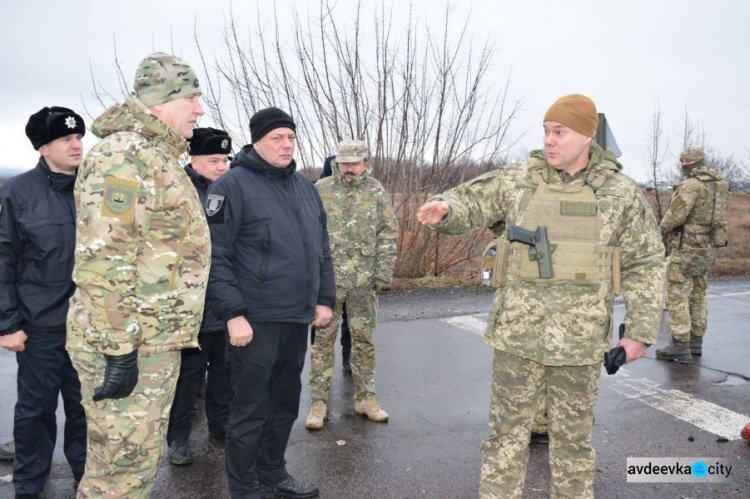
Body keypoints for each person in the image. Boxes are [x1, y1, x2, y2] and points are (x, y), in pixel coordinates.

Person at [417, 94, 665, 498]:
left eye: (560, 132)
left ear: (587, 136)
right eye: (546, 131)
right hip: (518, 337)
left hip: (580, 343)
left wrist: (638, 331)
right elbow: (470, 200)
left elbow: (647, 261)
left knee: (572, 446)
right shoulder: (519, 181)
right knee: (504, 439)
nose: (549, 140)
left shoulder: (621, 195)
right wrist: (446, 208)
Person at [66, 52, 211, 498]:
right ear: (158, 102)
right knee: (119, 476)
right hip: (129, 344)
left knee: (135, 468)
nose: (199, 109)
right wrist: (119, 349)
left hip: (151, 340)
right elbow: (103, 260)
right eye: (191, 97)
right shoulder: (124, 157)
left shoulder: (154, 154)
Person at [206, 107, 335, 499]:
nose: (285, 144)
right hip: (254, 320)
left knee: (283, 406)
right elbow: (215, 255)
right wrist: (233, 314)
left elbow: (322, 249)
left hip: (296, 318)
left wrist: (324, 298)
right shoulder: (230, 186)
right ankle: (244, 487)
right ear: (257, 140)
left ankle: (273, 474)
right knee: (249, 409)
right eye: (277, 138)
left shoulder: (305, 186)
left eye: (291, 137)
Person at [0, 106, 88, 498]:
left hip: (91, 325)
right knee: (35, 413)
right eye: (65, 139)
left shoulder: (95, 189)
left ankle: (89, 481)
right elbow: (2, 258)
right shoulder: (17, 194)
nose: (76, 145)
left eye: (78, 138)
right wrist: (7, 323)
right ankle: (30, 485)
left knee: (87, 410)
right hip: (39, 326)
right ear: (43, 147)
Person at [305, 140, 398, 430]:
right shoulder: (321, 191)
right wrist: (311, 277)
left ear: (365, 164)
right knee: (322, 343)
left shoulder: (376, 191)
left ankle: (366, 398)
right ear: (337, 163)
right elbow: (307, 235)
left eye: (354, 163)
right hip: (329, 282)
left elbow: (388, 233)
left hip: (363, 281)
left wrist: (383, 272)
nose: (349, 169)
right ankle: (318, 403)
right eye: (344, 163)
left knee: (364, 341)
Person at [167, 127, 233, 465]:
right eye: (214, 160)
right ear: (193, 160)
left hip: (225, 298)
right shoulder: (179, 190)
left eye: (225, 159)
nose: (222, 166)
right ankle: (178, 437)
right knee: (189, 376)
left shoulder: (231, 188)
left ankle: (220, 429)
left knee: (224, 370)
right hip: (190, 301)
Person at [655, 146, 728, 362]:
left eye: (685, 161)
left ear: (693, 162)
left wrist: (659, 230)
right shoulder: (718, 185)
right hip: (707, 248)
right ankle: (696, 342)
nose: (683, 164)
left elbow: (676, 215)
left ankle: (679, 346)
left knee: (678, 294)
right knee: (698, 294)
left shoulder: (690, 186)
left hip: (686, 248)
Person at [320, 154, 352, 373]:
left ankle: (348, 359)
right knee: (323, 320)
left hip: (353, 270)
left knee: (350, 321)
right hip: (326, 269)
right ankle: (322, 364)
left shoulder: (357, 193)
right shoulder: (317, 192)